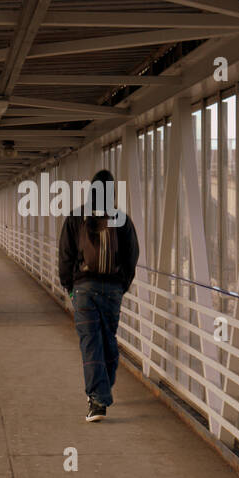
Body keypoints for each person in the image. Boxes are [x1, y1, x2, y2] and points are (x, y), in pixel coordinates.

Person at [57, 169, 140, 422]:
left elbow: (65, 255)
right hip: (112, 289)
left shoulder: (76, 218)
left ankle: (98, 399)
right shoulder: (122, 220)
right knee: (108, 339)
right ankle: (103, 386)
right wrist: (121, 285)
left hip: (83, 288)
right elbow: (131, 256)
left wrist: (69, 286)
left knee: (90, 342)